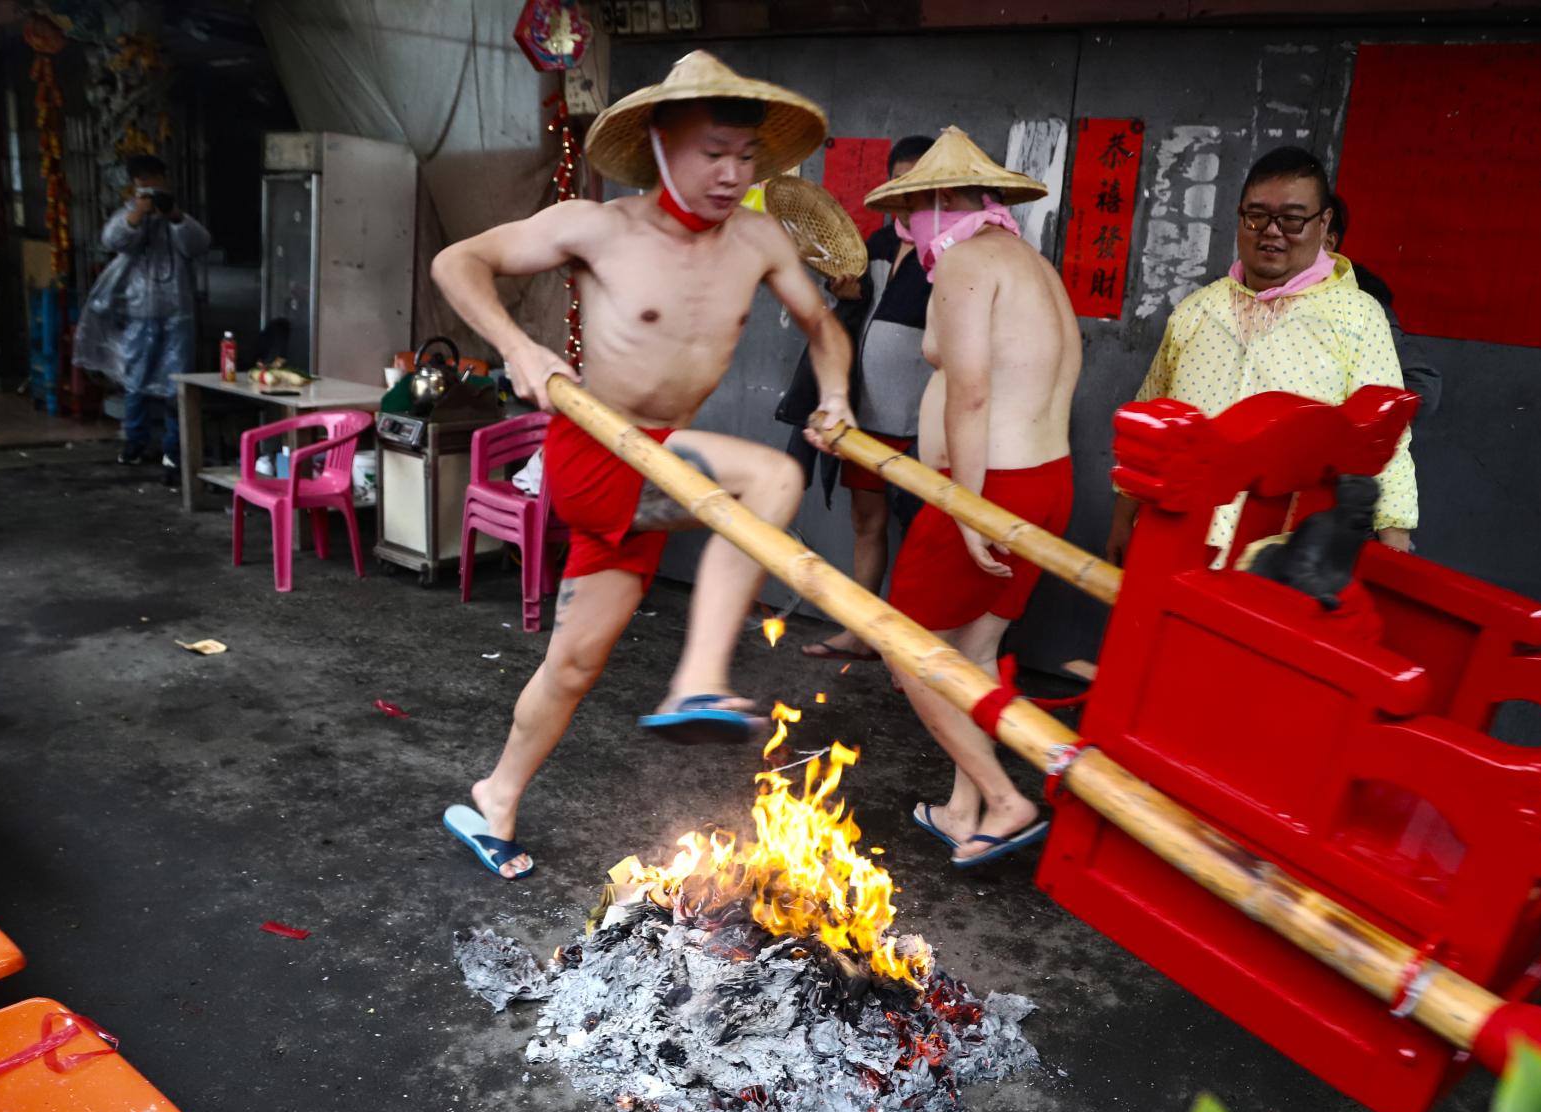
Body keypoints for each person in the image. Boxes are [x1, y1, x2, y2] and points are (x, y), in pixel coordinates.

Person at [429, 51, 854, 879]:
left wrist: (833, 393)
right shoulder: (600, 229)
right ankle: (698, 678)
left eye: (745, 155)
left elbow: (823, 326)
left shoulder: (760, 239)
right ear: (661, 143)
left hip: (661, 473)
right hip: (599, 453)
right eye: (711, 152)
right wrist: (519, 346)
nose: (732, 174)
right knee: (770, 478)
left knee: (576, 661)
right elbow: (458, 262)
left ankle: (494, 796)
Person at [833, 126, 1080, 867]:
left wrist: (969, 506)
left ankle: (1005, 800)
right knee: (971, 652)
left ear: (940, 201)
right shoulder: (1033, 267)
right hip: (1045, 479)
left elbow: (969, 394)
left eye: (911, 211)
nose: (906, 229)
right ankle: (963, 806)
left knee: (906, 648)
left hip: (988, 484)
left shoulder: (969, 263)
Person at [1106, 146, 1417, 565]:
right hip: (1173, 538)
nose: (1271, 231)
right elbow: (1150, 418)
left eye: (1291, 219)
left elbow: (1388, 442)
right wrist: (1123, 522)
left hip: (1280, 558)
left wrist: (1394, 551)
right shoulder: (1196, 311)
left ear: (1323, 222)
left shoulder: (1357, 317)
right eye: (1257, 216)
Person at [802, 134, 935, 663]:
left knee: (926, 533)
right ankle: (860, 631)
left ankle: (917, 644)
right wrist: (844, 296)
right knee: (867, 521)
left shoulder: (954, 251)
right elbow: (849, 314)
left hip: (924, 420)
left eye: (919, 184)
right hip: (868, 413)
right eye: (899, 183)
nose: (909, 197)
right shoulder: (874, 246)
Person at [101, 154, 210, 479]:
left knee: (178, 382)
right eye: (142, 181)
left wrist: (173, 215)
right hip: (139, 310)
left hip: (178, 312)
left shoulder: (177, 218)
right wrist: (137, 214)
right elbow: (113, 241)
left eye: (154, 179)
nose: (149, 186)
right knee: (136, 379)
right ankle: (135, 442)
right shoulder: (128, 216)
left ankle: (175, 449)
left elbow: (199, 244)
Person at [1324, 194, 1442, 420]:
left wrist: (1342, 421)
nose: (1273, 232)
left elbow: (1422, 386)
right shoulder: (1248, 293)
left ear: (1327, 241)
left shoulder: (1363, 303)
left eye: (1293, 222)